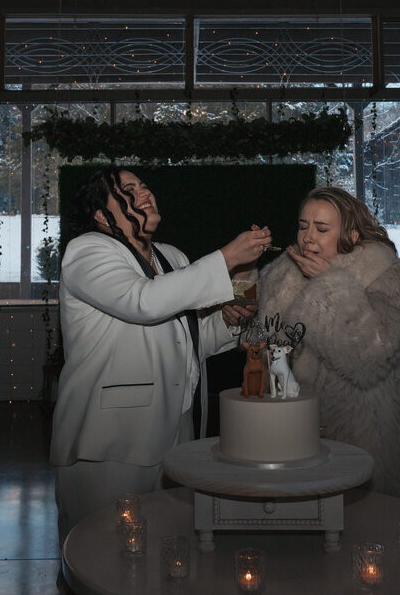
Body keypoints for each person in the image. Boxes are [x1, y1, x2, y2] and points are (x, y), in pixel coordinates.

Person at [50, 167, 269, 542]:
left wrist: (229, 320)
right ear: (102, 216)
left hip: (178, 430)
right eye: (128, 192)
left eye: (144, 186)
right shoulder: (87, 251)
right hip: (112, 438)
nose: (144, 193)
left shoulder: (173, 258)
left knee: (166, 547)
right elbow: (143, 302)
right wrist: (226, 258)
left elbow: (190, 341)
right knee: (100, 548)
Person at [256, 187, 400, 498]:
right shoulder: (283, 275)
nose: (308, 237)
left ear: (352, 235)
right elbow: (270, 354)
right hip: (293, 438)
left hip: (363, 443)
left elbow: (369, 358)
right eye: (303, 226)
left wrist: (328, 286)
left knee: (365, 533)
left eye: (321, 229)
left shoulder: (394, 280)